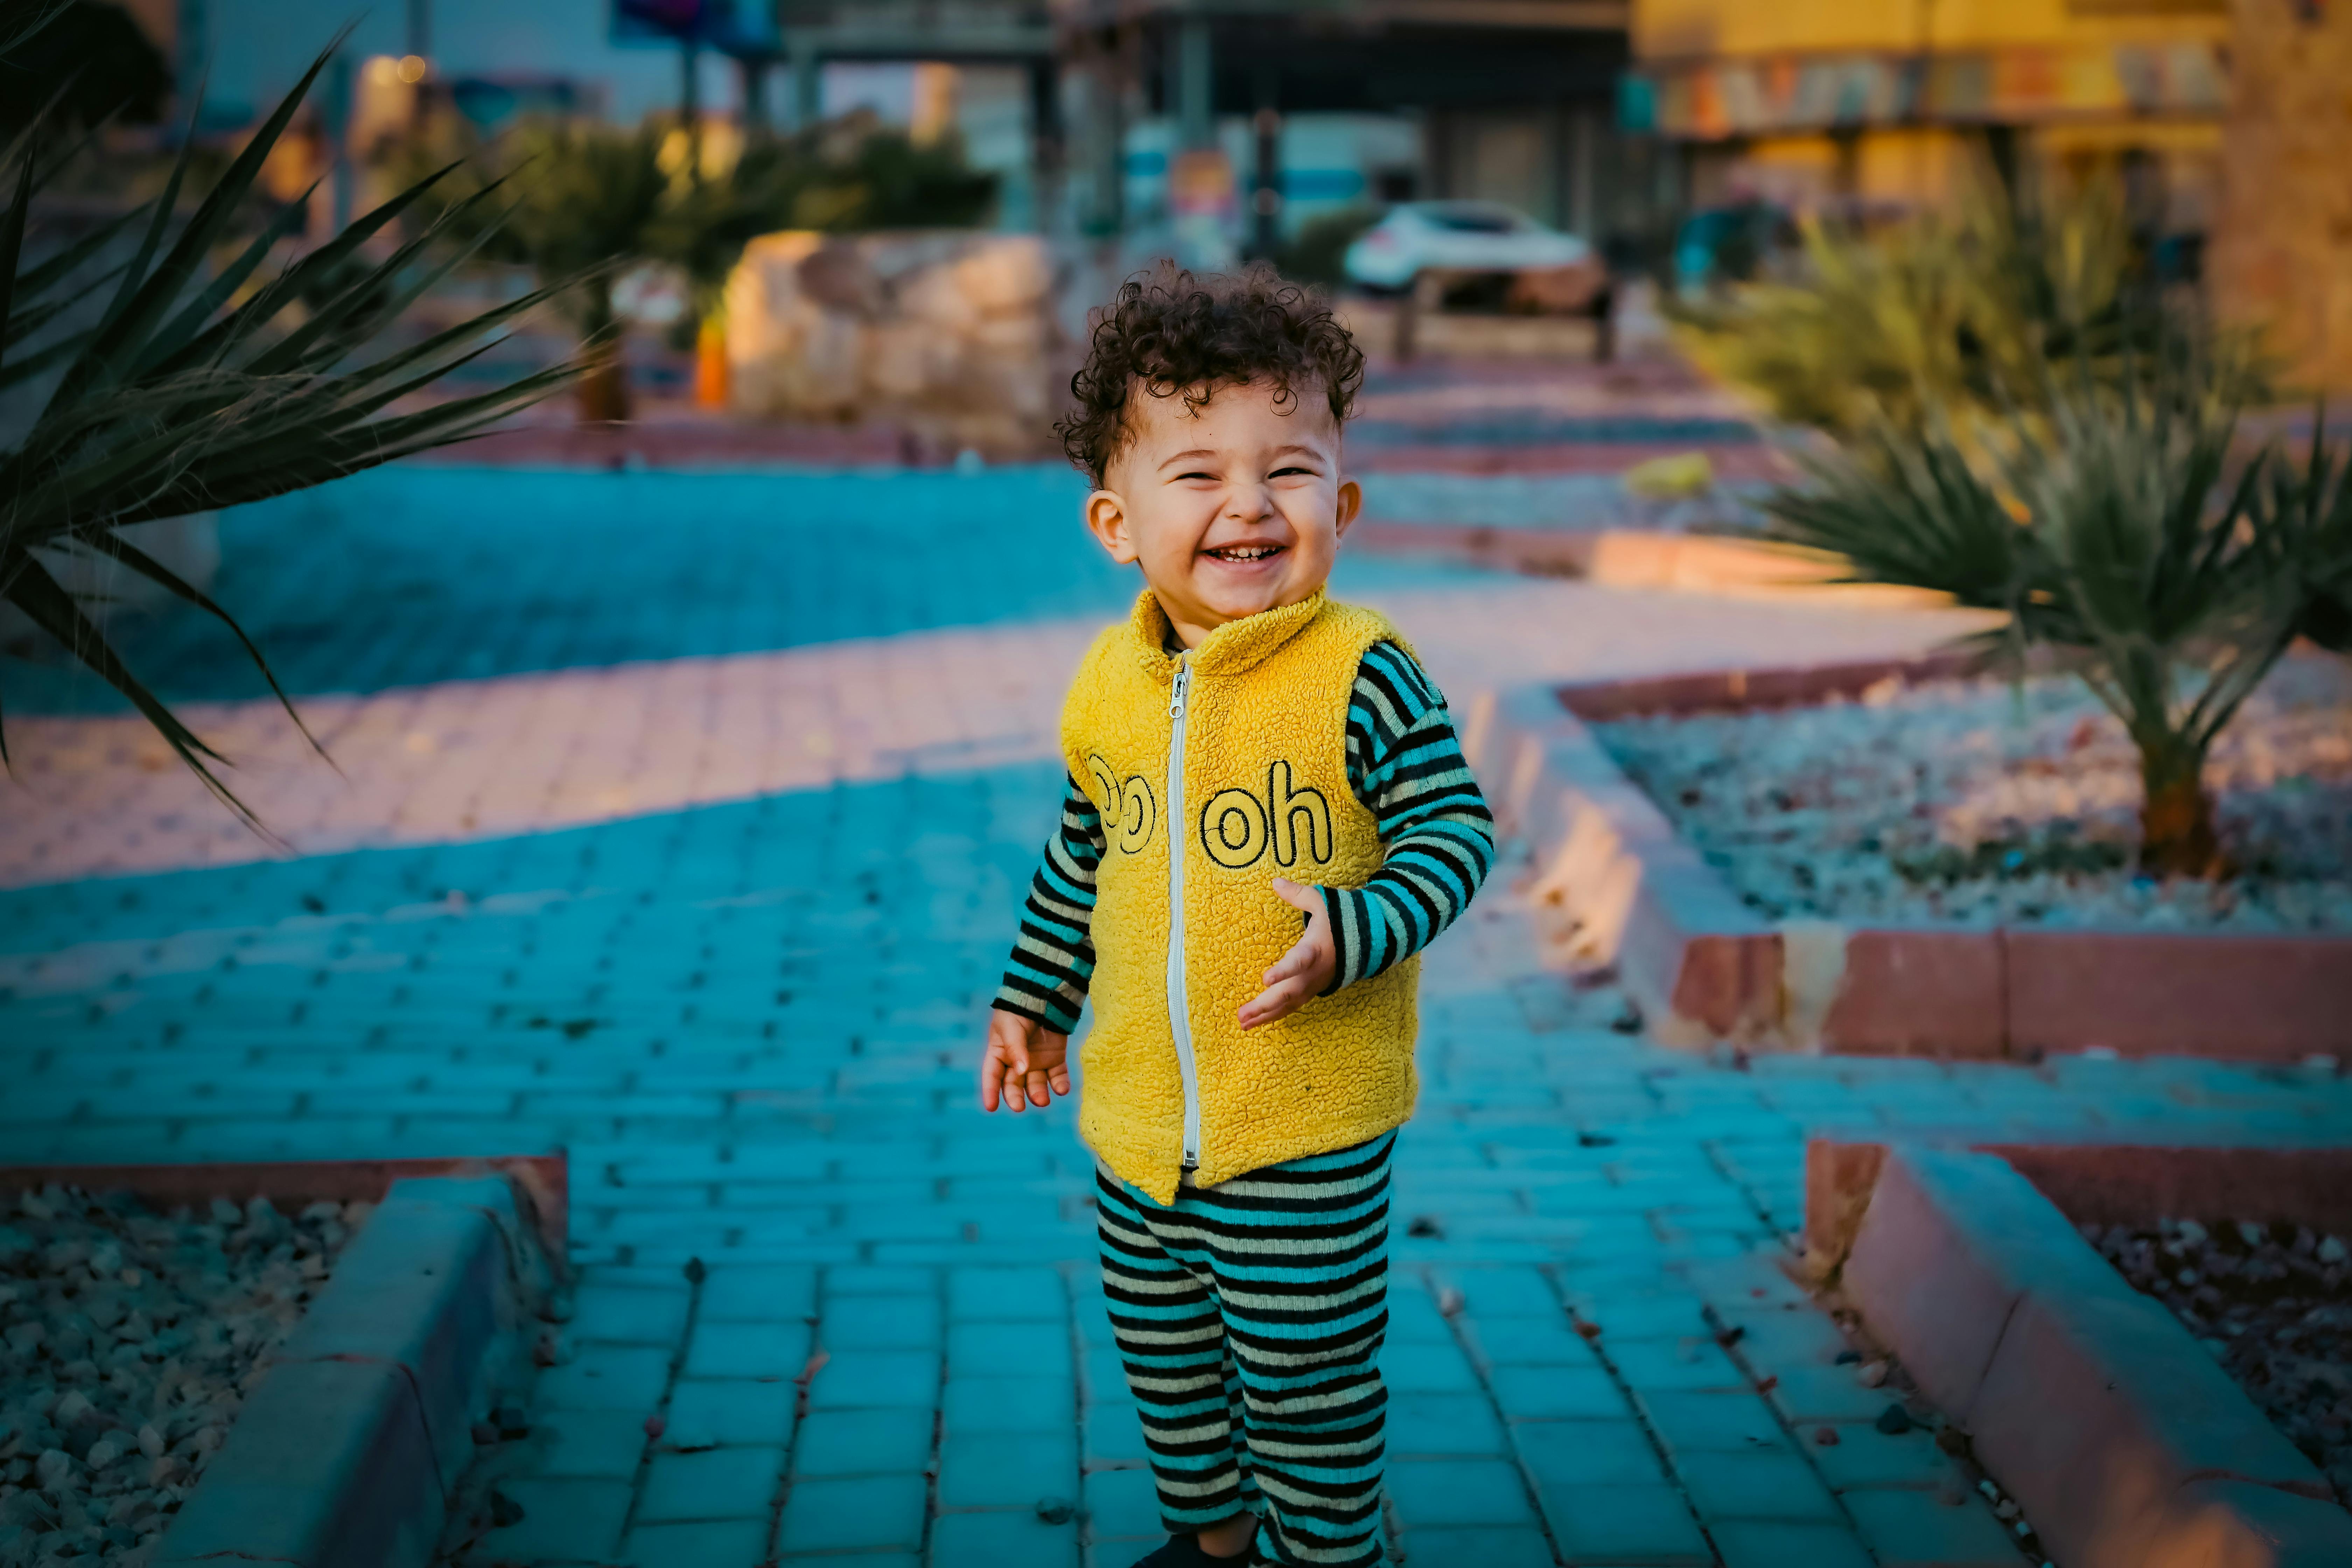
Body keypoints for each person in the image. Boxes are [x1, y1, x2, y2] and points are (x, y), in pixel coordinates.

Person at [978, 262, 1495, 1568]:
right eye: (1198, 472)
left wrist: (1353, 929)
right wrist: (1035, 1000)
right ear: (1116, 521)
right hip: (1142, 1132)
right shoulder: (1109, 684)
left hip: (1305, 1136)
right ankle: (1213, 1550)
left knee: (1307, 1408)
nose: (1249, 505)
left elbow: (1456, 834)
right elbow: (1079, 853)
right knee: (1176, 1391)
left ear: (1346, 500)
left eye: (1290, 469)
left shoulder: (1362, 670)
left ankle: (1326, 1556)